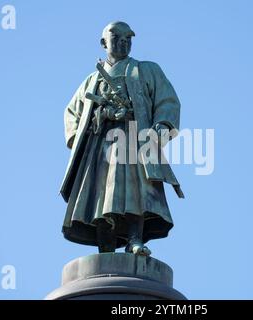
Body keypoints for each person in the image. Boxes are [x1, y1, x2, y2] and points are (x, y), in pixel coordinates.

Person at [59, 21, 183, 256]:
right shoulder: (91, 80)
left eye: (128, 38)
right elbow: (72, 113)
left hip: (135, 140)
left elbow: (168, 101)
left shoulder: (146, 70)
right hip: (99, 145)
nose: (124, 42)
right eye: (117, 37)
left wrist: (161, 126)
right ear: (104, 42)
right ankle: (105, 247)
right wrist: (97, 119)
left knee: (135, 190)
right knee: (100, 195)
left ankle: (135, 239)